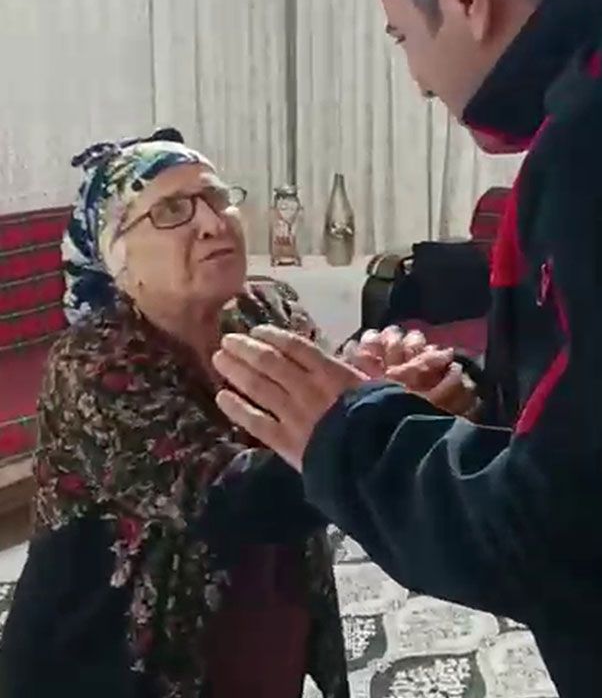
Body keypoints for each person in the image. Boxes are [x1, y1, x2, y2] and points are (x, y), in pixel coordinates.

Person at [208, 0, 602, 695]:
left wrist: (359, 433)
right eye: (170, 212)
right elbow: (601, 402)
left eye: (401, 37)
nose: (419, 83)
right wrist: (460, 396)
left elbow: (567, 529)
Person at [0, 132, 352, 698]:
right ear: (121, 261)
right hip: (107, 664)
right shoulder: (94, 364)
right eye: (171, 211)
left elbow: (331, 402)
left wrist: (382, 377)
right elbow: (229, 499)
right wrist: (366, 424)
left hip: (261, 621)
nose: (213, 223)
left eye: (216, 198)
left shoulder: (269, 309)